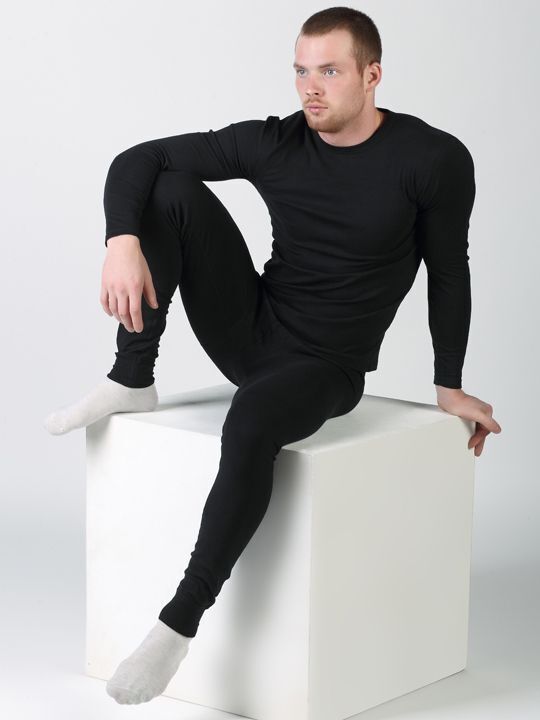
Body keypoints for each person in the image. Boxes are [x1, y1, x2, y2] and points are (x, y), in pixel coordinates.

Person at [44, 6, 502, 706]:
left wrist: (449, 384)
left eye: (329, 70)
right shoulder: (278, 141)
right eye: (300, 70)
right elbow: (138, 159)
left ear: (372, 76)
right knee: (168, 190)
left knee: (252, 420)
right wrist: (121, 241)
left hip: (327, 366)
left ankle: (178, 622)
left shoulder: (432, 160)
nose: (310, 87)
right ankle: (132, 376)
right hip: (252, 329)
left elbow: (449, 272)